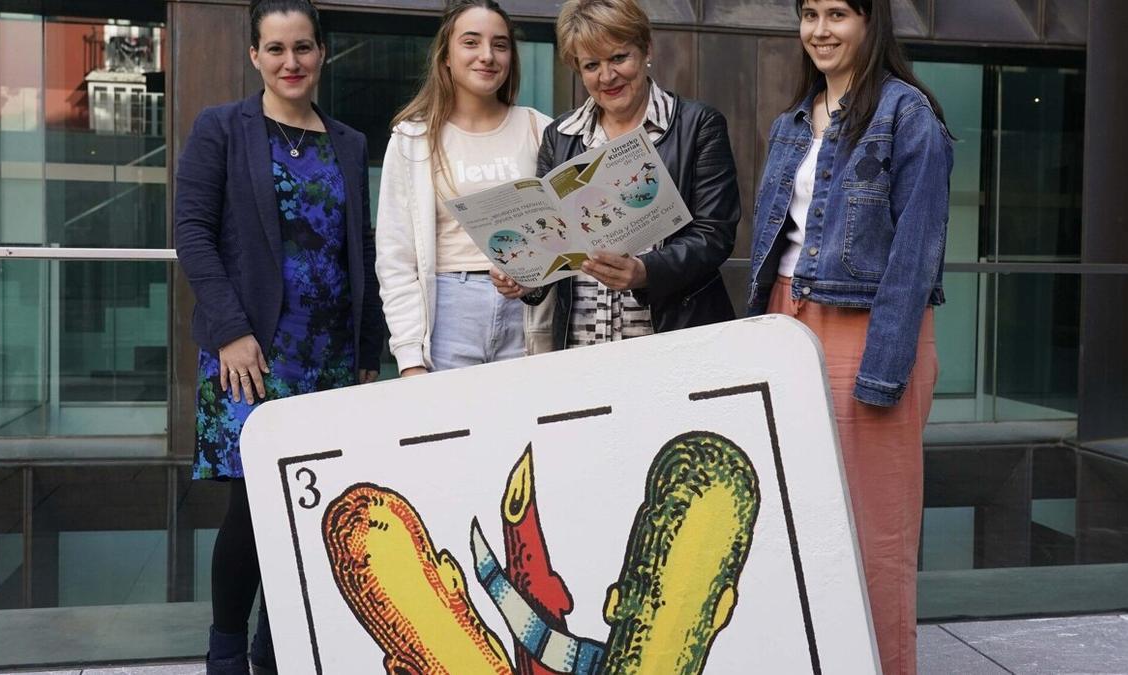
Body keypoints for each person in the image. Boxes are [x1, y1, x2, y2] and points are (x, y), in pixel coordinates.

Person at [174, 1, 384, 672]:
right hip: (252, 355)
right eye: (276, 49)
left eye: (303, 47)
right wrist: (232, 331)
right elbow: (193, 233)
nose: (290, 61)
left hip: (331, 358)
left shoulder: (349, 143)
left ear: (323, 52)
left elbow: (363, 248)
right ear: (254, 56)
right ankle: (228, 651)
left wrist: (368, 353)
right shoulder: (221, 130)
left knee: (307, 509)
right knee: (255, 505)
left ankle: (277, 648)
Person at [747, 1, 952, 672]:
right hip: (787, 320)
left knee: (876, 532)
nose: (820, 30)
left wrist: (883, 372)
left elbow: (915, 258)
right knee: (793, 518)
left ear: (871, 23)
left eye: (839, 13)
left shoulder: (907, 115)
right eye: (809, 13)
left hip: (871, 327)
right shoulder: (788, 125)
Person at [491, 0, 739, 347]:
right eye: (592, 65)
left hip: (674, 337)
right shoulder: (560, 136)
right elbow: (551, 242)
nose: (607, 76)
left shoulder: (697, 126)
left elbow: (715, 234)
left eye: (619, 58)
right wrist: (527, 278)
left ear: (646, 48)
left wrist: (646, 272)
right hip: (582, 341)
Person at [376, 0, 553, 376]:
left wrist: (533, 275)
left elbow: (562, 234)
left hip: (526, 314)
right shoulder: (413, 139)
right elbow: (395, 258)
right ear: (446, 57)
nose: (487, 56)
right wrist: (409, 359)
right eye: (471, 42)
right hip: (447, 311)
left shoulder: (540, 129)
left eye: (500, 45)